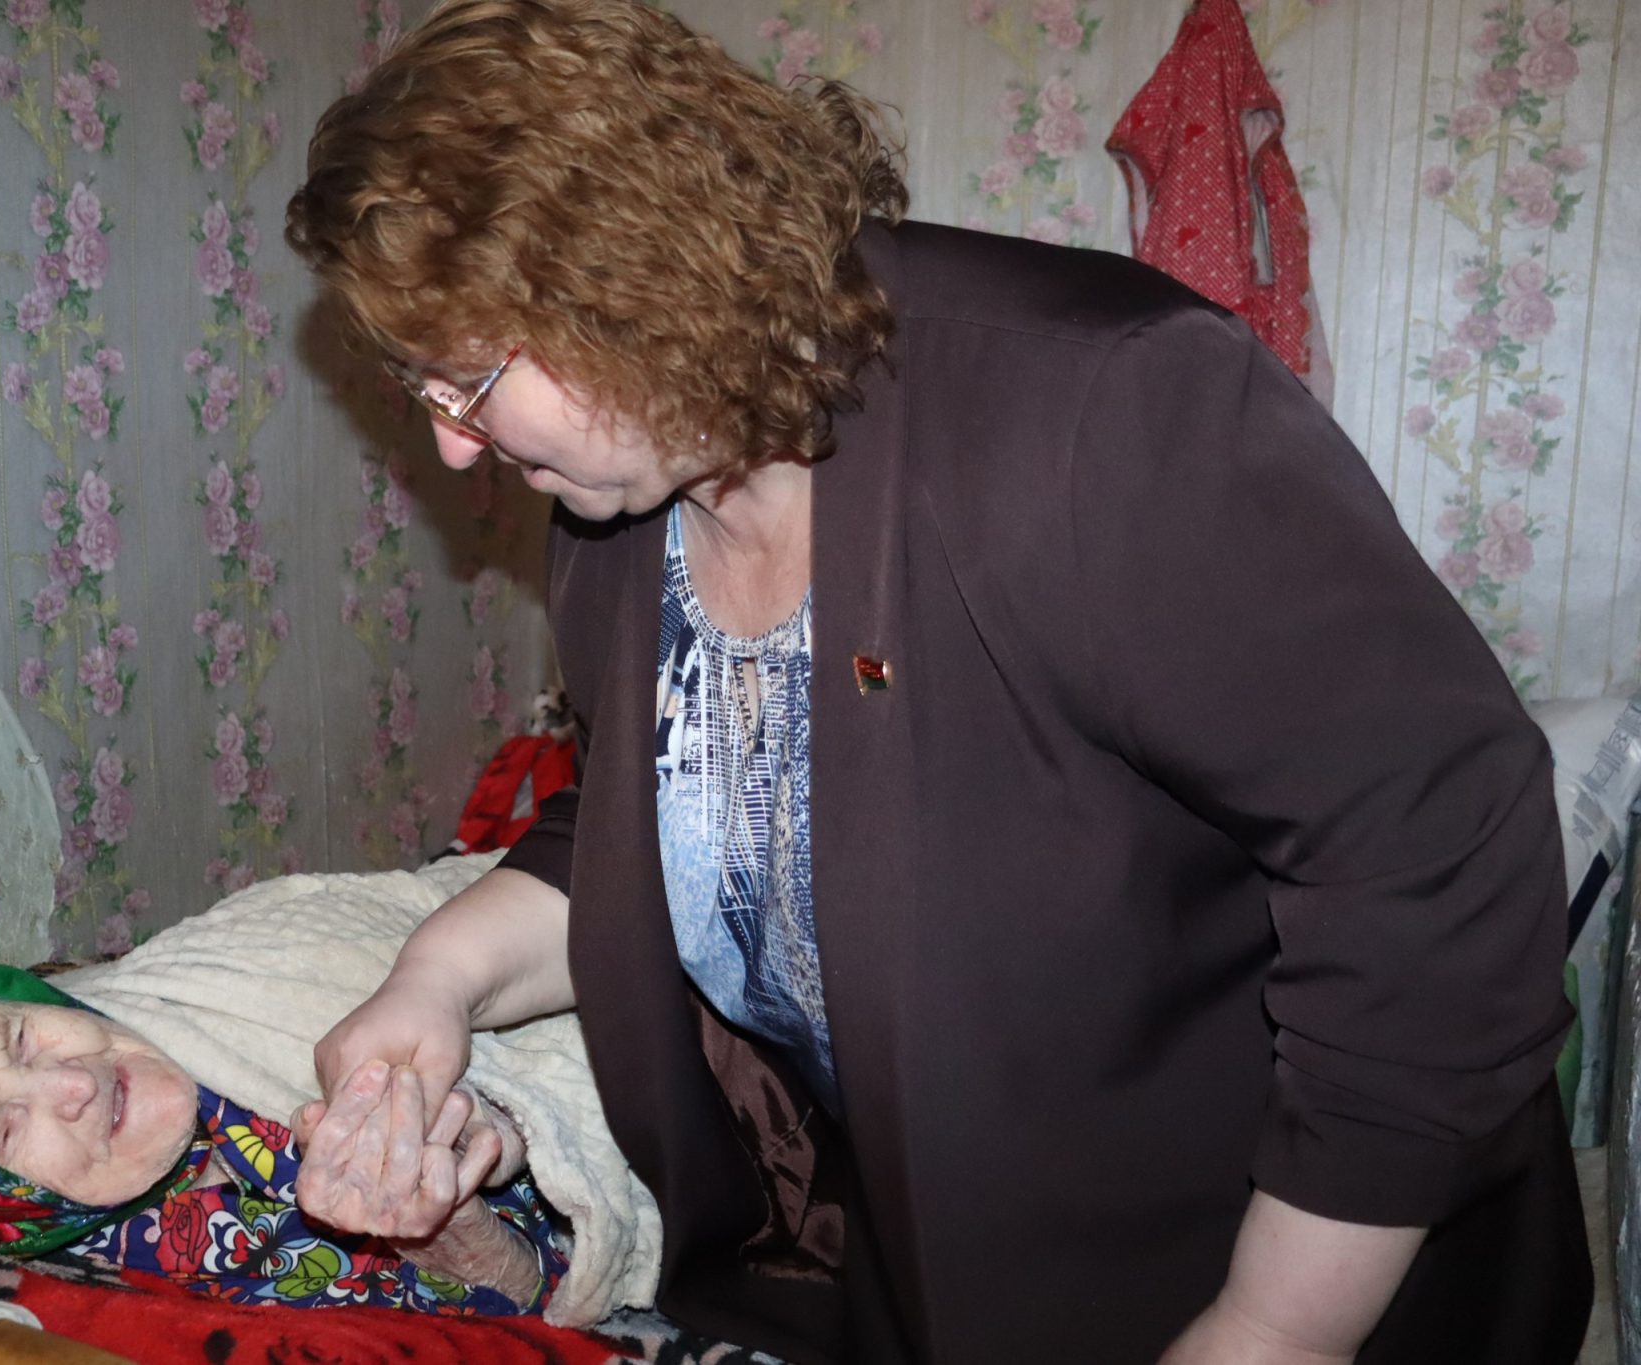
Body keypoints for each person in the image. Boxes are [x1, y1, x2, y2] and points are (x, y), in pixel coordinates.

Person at [282, 1, 1594, 1361]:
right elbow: (660, 827)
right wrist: (433, 984)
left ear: (629, 277)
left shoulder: (1100, 411)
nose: (454, 448)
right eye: (424, 390)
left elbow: (1435, 851)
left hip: (1279, 1264)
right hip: (925, 1275)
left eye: (470, 380)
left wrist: (1276, 1328)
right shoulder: (616, 526)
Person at [0, 963, 565, 1314]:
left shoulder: (201, 981)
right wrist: (457, 1238)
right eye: (7, 1129)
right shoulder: (164, 1287)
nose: (73, 1083)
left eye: (21, 1037)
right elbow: (559, 1305)